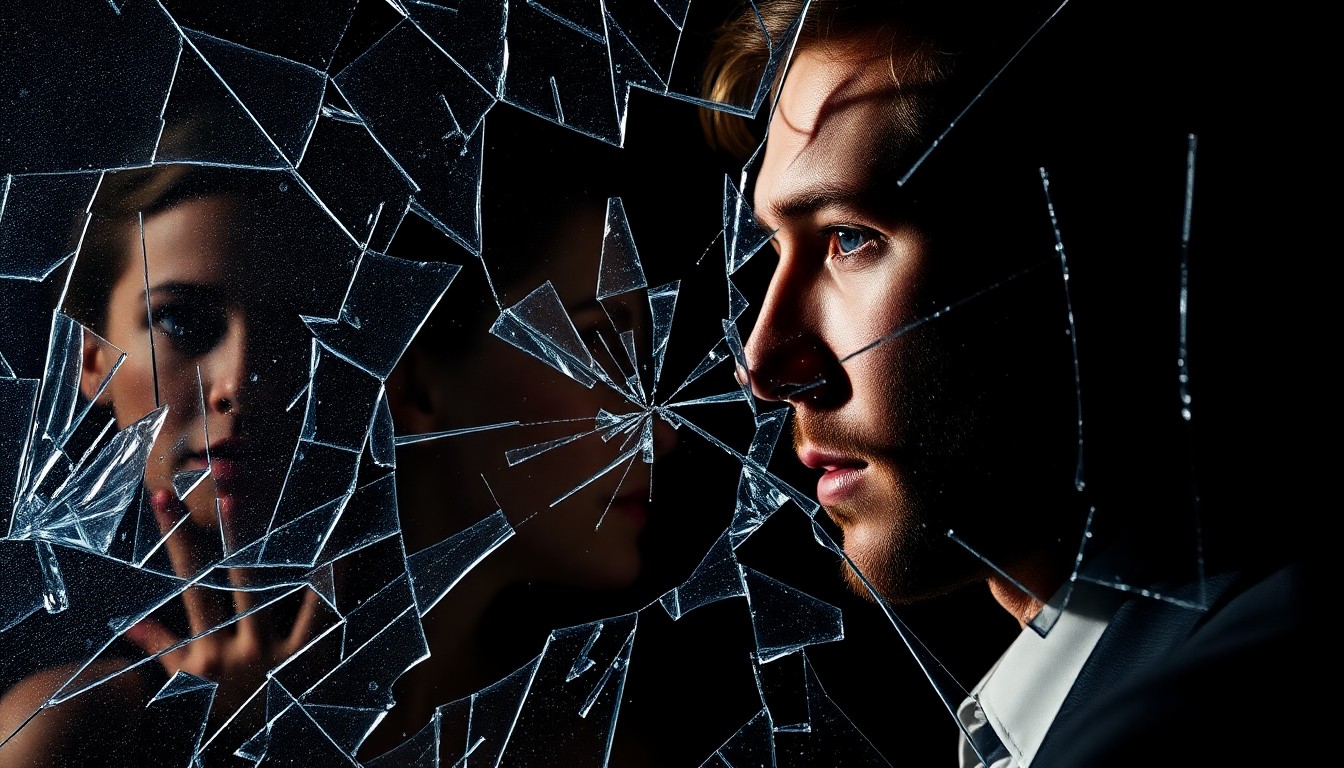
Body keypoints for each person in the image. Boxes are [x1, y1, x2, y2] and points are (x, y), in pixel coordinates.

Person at [700, 1, 1315, 765]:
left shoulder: (1206, 718)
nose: (762, 363)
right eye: (774, 247)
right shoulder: (1073, 708)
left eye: (849, 238)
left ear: (1080, 248)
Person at [0, 164, 349, 765]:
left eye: (294, 329)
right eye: (181, 320)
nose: (238, 382)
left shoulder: (468, 653)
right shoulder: (64, 730)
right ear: (91, 357)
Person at [361, 108, 676, 764]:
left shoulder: (585, 748)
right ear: (418, 387)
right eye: (596, 348)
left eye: (642, 360)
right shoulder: (128, 715)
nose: (661, 431)